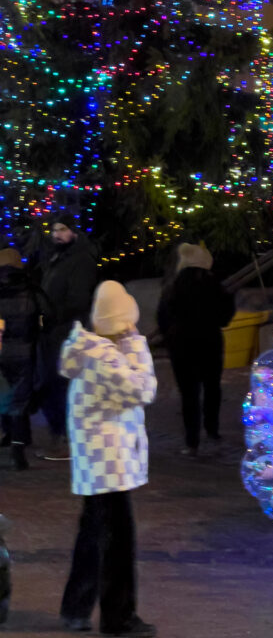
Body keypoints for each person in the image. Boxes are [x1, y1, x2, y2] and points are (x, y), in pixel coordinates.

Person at [59, 280, 157, 637]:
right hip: (107, 464)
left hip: (97, 463)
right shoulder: (104, 357)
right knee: (117, 543)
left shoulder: (89, 352)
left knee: (93, 535)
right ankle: (118, 618)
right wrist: (136, 343)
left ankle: (76, 608)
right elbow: (143, 389)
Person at [157, 243, 235, 455]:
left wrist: (170, 335)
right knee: (212, 388)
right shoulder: (215, 284)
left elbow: (162, 316)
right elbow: (226, 315)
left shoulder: (173, 285)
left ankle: (192, 440)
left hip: (181, 343)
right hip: (210, 340)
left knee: (188, 392)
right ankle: (212, 430)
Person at [37, 214, 99, 461]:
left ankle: (67, 437)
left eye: (62, 229)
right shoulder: (56, 258)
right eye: (54, 230)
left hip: (69, 332)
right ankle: (59, 433)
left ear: (73, 231)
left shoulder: (81, 260)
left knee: (63, 384)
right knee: (49, 384)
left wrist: (52, 316)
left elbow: (78, 300)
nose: (57, 235)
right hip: (53, 331)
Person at [0, 248, 40, 470]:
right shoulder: (28, 290)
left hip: (1, 350)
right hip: (24, 351)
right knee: (20, 400)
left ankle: (7, 434)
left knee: (3, 395)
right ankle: (18, 450)